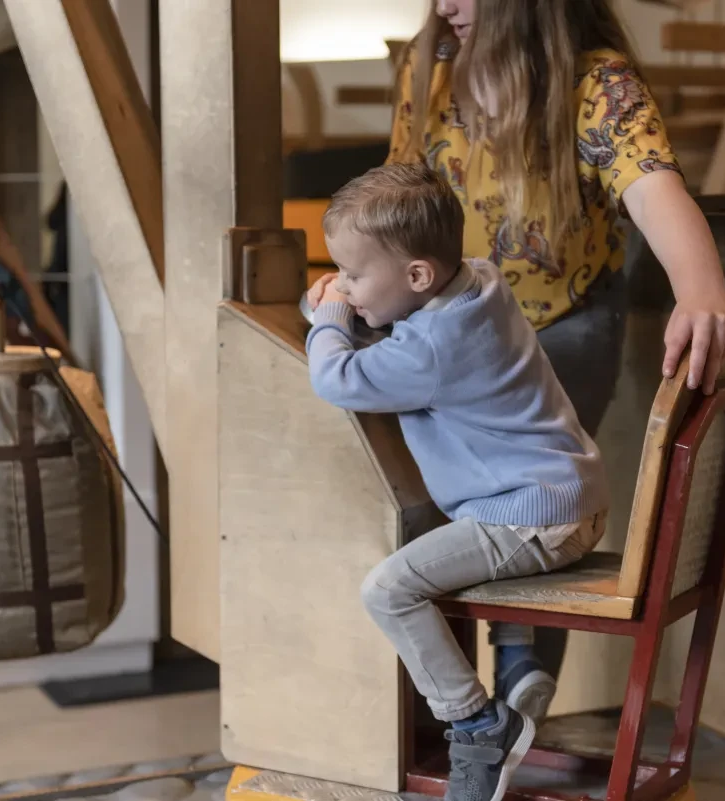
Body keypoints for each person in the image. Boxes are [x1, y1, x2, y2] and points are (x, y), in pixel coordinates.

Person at [381, 0, 725, 715]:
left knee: (532, 497)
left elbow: (653, 186)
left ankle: (519, 696)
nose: (444, 5)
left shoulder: (596, 84)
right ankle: (442, 715)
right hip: (451, 332)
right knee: (435, 499)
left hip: (560, 325)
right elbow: (393, 206)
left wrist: (700, 288)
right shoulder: (428, 75)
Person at [307, 162, 608, 801]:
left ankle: (477, 726)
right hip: (569, 498)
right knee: (460, 533)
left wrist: (330, 320)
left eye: (355, 275)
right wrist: (355, 302)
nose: (345, 286)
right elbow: (406, 317)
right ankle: (520, 656)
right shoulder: (479, 280)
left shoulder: (428, 352)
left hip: (529, 517)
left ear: (417, 276)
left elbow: (337, 381)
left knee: (390, 589)